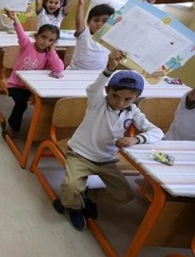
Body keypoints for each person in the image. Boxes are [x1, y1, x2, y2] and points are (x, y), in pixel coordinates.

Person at [54, 51, 164, 231]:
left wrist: (136, 138)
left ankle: (89, 196)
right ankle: (74, 207)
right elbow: (93, 89)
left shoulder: (133, 111)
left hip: (106, 160)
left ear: (136, 98)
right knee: (71, 186)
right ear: (107, 91)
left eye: (128, 99)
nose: (120, 103)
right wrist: (109, 69)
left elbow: (157, 132)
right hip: (80, 155)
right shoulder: (98, 102)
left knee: (125, 195)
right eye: (115, 96)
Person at [2, 10, 64, 138]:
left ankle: (40, 132)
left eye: (51, 40)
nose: (45, 42)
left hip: (32, 87)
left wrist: (52, 52)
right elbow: (20, 33)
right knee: (21, 104)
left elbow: (59, 69)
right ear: (36, 36)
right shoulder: (27, 45)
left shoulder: (48, 54)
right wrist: (15, 18)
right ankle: (12, 126)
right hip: (16, 85)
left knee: (49, 102)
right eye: (43, 37)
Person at [68, 0, 156, 71]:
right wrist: (81, 4)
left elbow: (126, 13)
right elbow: (79, 21)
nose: (99, 24)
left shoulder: (110, 38)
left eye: (105, 21)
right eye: (96, 20)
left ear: (112, 24)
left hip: (97, 74)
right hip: (75, 72)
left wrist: (146, 2)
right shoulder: (84, 34)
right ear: (88, 22)